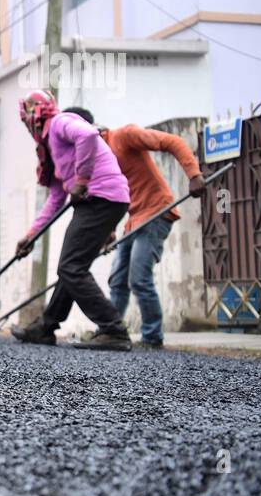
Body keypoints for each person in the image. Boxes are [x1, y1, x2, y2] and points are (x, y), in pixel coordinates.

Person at [65, 106, 206, 348]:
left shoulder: (124, 136)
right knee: (117, 280)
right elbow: (115, 196)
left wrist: (193, 174)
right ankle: (111, 331)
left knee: (139, 278)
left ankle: (152, 337)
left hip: (156, 212)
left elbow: (172, 140)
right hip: (133, 219)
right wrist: (108, 231)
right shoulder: (96, 162)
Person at [11, 91, 133, 351]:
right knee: (71, 266)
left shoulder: (60, 123)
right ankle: (45, 327)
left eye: (26, 119)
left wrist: (82, 180)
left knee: (71, 267)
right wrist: (31, 235)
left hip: (101, 197)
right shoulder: (49, 150)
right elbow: (56, 199)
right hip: (97, 199)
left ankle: (114, 329)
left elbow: (88, 135)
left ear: (35, 116)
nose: (26, 125)